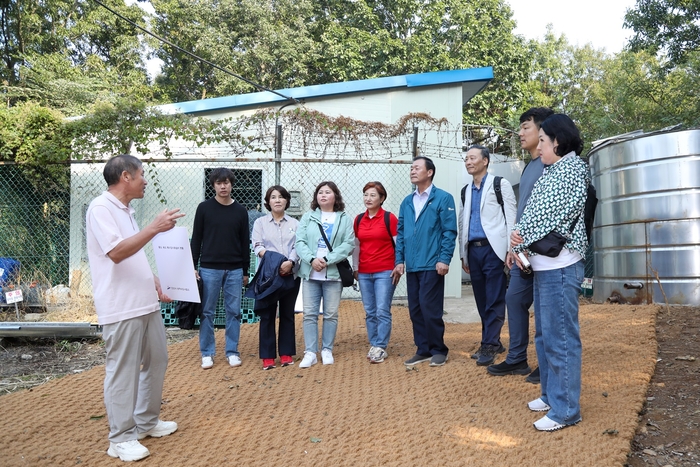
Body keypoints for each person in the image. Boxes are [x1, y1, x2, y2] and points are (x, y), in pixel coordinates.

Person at [86, 154, 183, 462]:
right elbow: (115, 252)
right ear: (126, 176)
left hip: (144, 301)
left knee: (157, 360)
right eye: (141, 175)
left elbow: (133, 251)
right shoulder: (101, 207)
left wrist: (153, 278)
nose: (145, 181)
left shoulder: (126, 210)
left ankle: (145, 421)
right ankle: (121, 437)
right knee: (123, 371)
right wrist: (154, 228)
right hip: (121, 305)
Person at [511, 113, 589, 431]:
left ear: (557, 141)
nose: (538, 146)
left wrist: (520, 238)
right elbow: (531, 210)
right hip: (546, 265)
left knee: (561, 339)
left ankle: (567, 409)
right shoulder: (552, 168)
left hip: (560, 265)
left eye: (542, 140)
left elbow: (548, 216)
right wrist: (519, 236)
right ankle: (551, 394)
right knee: (545, 336)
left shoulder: (571, 169)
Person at [487, 107, 554, 381]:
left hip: (545, 251)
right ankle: (517, 359)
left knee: (544, 309)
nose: (520, 132)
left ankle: (548, 365)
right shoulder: (528, 167)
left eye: (526, 126)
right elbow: (523, 211)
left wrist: (530, 242)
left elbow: (549, 212)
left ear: (542, 130)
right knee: (514, 300)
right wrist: (515, 248)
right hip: (522, 251)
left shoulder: (552, 164)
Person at [392, 156, 457, 367]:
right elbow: (400, 233)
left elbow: (449, 231)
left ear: (429, 172)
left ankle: (439, 349)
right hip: (412, 265)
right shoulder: (407, 201)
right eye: (411, 168)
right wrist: (399, 260)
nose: (412, 171)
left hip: (432, 263)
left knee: (430, 308)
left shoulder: (443, 198)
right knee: (416, 309)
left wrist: (444, 259)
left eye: (417, 168)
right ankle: (423, 349)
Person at [459, 145, 516, 366]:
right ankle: (492, 340)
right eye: (466, 159)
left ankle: (490, 344)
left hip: (494, 249)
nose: (468, 162)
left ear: (485, 161)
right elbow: (463, 223)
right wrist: (464, 254)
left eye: (472, 158)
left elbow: (511, 217)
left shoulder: (500, 184)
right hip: (473, 250)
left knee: (494, 297)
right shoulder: (466, 190)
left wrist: (511, 249)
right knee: (482, 299)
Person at [191, 168, 250, 370]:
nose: (223, 186)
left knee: (233, 312)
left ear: (231, 184)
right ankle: (207, 353)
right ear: (213, 185)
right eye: (219, 183)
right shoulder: (204, 208)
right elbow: (196, 238)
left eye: (226, 182)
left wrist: (245, 271)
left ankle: (232, 351)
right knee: (207, 312)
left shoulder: (241, 211)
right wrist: (193, 266)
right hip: (208, 268)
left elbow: (245, 243)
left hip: (234, 270)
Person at [295, 181, 355, 368]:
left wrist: (327, 260)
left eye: (327, 192)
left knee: (330, 314)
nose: (323, 195)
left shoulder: (344, 218)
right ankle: (310, 352)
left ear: (335, 196)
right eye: (320, 192)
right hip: (311, 273)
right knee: (310, 314)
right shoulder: (308, 217)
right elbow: (300, 242)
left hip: (333, 274)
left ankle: (327, 349)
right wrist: (312, 259)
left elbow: (348, 244)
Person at [250, 186, 301, 370]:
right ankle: (268, 357)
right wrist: (276, 262)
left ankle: (286, 354)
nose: (277, 200)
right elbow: (257, 246)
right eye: (273, 197)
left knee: (287, 314)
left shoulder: (295, 224)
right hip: (268, 276)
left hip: (290, 274)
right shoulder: (260, 223)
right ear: (268, 202)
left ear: (287, 200)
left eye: (281, 197)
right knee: (267, 314)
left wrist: (290, 262)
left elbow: (299, 246)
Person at [352, 181, 399, 364]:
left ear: (382, 198)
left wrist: (399, 265)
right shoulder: (358, 219)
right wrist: (356, 268)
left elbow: (398, 244)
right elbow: (356, 245)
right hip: (364, 272)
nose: (368, 198)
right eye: (366, 195)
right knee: (370, 311)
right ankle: (374, 344)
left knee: (382, 310)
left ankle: (380, 346)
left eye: (373, 195)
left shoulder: (389, 218)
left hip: (385, 271)